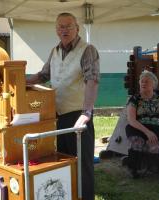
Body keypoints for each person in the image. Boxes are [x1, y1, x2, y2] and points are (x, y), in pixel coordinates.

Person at [26, 12, 100, 200]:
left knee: (82, 165)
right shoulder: (55, 51)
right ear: (56, 30)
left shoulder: (87, 49)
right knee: (63, 161)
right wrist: (20, 82)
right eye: (60, 26)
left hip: (78, 116)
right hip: (57, 116)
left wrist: (87, 112)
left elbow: (92, 80)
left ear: (77, 28)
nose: (64, 30)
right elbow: (43, 75)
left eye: (68, 26)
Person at [125, 70, 159, 178]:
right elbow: (131, 120)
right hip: (139, 127)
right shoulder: (134, 99)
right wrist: (148, 132)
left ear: (154, 84)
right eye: (141, 81)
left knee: (158, 146)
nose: (143, 83)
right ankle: (133, 168)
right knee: (136, 140)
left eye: (146, 81)